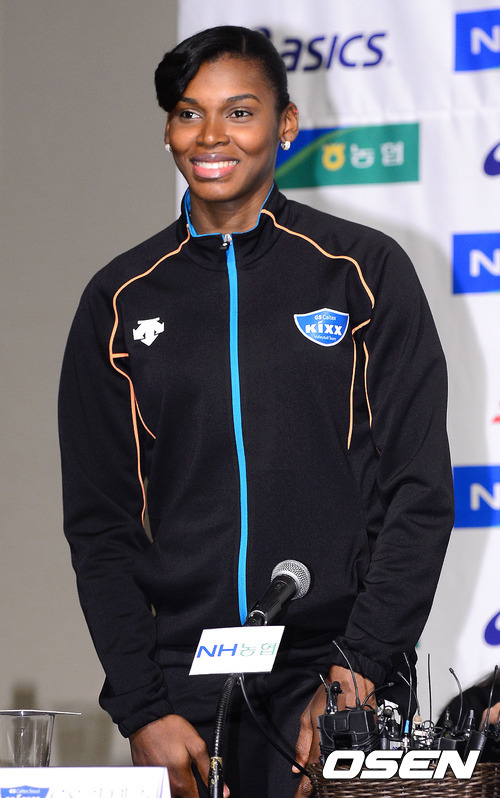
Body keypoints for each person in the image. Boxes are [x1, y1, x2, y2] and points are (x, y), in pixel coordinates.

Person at [58, 25, 454, 798]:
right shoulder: (120, 298)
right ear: (169, 129)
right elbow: (101, 527)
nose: (211, 135)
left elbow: (420, 492)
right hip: (185, 689)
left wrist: (361, 666)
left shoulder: (363, 271)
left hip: (339, 676)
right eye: (189, 112)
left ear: (286, 124)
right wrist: (143, 707)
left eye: (239, 112)